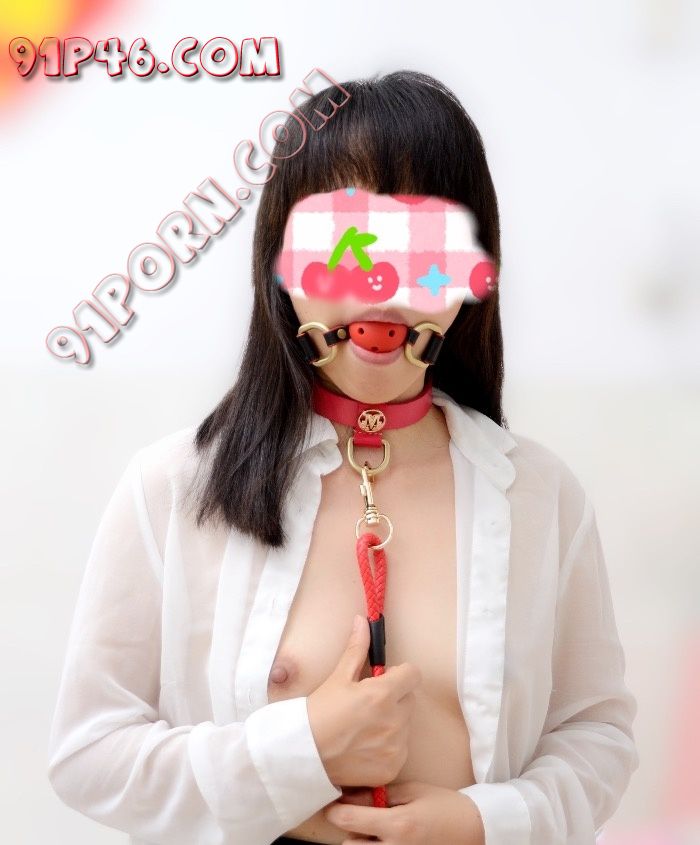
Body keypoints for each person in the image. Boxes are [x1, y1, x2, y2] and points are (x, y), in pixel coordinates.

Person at [47, 70, 639, 845]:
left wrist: (481, 822)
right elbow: (88, 752)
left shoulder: (541, 494)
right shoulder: (172, 487)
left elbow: (598, 731)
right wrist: (303, 752)